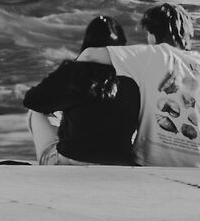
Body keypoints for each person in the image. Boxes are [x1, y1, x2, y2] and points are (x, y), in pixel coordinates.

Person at [76, 4, 200, 170]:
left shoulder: (148, 55)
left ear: (152, 35)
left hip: (150, 161)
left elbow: (89, 55)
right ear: (189, 34)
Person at [22, 15, 141, 165]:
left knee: (35, 113)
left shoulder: (75, 72)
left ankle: (52, 162)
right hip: (120, 163)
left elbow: (32, 100)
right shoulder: (134, 79)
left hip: (72, 162)